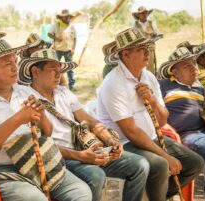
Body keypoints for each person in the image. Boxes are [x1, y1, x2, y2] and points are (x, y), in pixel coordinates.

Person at [0, 34, 92, 201]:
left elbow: (47, 133)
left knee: (81, 192)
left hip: (33, 160)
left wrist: (41, 116)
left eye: (15, 61)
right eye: (8, 64)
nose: (15, 67)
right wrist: (17, 119)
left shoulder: (24, 91)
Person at [18, 48, 150, 201]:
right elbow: (38, 144)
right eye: (52, 70)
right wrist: (80, 157)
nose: (58, 74)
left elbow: (89, 120)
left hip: (84, 149)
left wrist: (110, 141)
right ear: (35, 72)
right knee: (96, 175)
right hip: (58, 157)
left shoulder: (63, 92)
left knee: (140, 165)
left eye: (59, 70)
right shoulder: (26, 98)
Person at [97, 27, 204, 201]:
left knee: (195, 163)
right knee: (161, 164)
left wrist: (152, 100)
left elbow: (162, 121)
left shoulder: (148, 77)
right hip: (125, 143)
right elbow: (130, 132)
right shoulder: (113, 83)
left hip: (152, 137)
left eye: (148, 48)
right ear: (125, 54)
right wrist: (165, 155)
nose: (148, 53)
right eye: (141, 49)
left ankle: (155, 195)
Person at [159, 46, 205, 197]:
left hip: (204, 131)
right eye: (187, 65)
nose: (194, 68)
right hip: (185, 135)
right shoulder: (163, 86)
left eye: (194, 63)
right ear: (174, 71)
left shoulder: (199, 88)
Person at [48, 9, 77, 91]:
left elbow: (75, 38)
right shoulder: (56, 25)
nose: (68, 18)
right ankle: (54, 84)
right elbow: (49, 34)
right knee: (55, 68)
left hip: (68, 50)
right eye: (66, 17)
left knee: (70, 68)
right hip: (58, 50)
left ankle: (72, 85)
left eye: (69, 17)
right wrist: (56, 38)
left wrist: (73, 49)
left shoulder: (71, 26)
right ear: (62, 17)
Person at [132, 6, 159, 74]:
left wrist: (152, 40)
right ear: (138, 15)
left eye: (146, 13)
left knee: (150, 68)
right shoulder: (135, 25)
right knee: (139, 67)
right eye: (142, 13)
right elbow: (133, 38)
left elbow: (157, 35)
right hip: (139, 49)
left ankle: (150, 82)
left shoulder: (152, 23)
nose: (145, 14)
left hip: (150, 49)